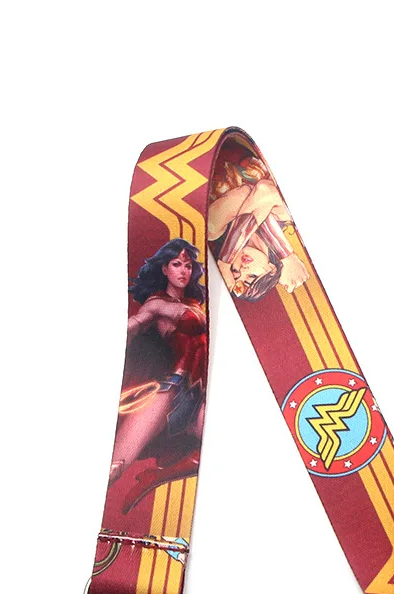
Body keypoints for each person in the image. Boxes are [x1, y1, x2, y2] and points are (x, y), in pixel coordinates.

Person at [109, 238, 207, 513]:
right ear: (164, 269)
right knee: (115, 466)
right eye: (176, 264)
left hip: (200, 393)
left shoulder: (196, 302)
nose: (183, 271)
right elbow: (137, 323)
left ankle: (156, 477)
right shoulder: (156, 304)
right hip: (172, 390)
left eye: (188, 266)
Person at [208, 153, 309, 301]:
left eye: (234, 271)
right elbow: (263, 190)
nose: (243, 270)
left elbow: (244, 194)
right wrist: (287, 256)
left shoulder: (215, 230)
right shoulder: (283, 218)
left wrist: (224, 262)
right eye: (251, 276)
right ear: (271, 269)